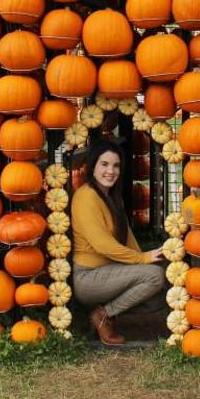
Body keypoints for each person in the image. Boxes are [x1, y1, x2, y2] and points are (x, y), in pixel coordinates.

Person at [71, 140, 167, 346]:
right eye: (104, 164)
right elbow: (102, 244)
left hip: (110, 271)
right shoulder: (86, 197)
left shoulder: (111, 196)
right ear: (92, 166)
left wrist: (146, 259)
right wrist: (141, 259)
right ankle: (103, 315)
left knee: (166, 277)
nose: (110, 171)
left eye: (115, 166)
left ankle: (109, 313)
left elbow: (127, 236)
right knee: (155, 276)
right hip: (88, 277)